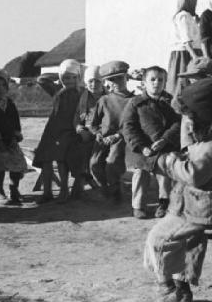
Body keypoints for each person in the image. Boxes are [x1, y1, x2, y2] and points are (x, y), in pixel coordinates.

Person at [143, 79, 212, 302]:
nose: (187, 123)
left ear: (203, 115)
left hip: (209, 207)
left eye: (190, 117)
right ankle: (182, 288)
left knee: (159, 237)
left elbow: (195, 174)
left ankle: (167, 287)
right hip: (204, 204)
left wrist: (166, 161)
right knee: (190, 241)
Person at [122, 66, 180, 219]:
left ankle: (164, 202)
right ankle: (138, 205)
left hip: (164, 145)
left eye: (160, 80)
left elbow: (177, 124)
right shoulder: (135, 103)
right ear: (144, 83)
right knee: (141, 171)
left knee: (166, 167)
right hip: (142, 148)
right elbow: (128, 127)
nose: (156, 83)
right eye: (152, 79)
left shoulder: (171, 102)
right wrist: (141, 147)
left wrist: (164, 139)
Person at [33, 59, 84, 203]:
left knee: (61, 160)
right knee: (45, 160)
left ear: (79, 77)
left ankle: (64, 190)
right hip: (52, 130)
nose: (69, 81)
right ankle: (47, 192)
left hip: (68, 131)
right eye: (66, 78)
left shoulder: (81, 92)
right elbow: (41, 79)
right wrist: (60, 73)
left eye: (73, 77)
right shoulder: (57, 90)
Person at [89, 61, 134, 203]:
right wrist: (97, 134)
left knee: (112, 162)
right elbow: (93, 122)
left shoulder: (134, 100)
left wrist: (117, 135)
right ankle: (104, 188)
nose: (116, 82)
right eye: (111, 79)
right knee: (94, 164)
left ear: (127, 78)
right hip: (103, 137)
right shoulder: (104, 100)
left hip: (122, 138)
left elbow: (133, 124)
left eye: (119, 78)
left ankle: (115, 192)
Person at [0, 69, 28, 205]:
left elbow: (15, 121)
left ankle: (13, 188)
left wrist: (16, 133)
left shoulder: (9, 102)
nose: (0, 89)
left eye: (3, 85)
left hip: (9, 138)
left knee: (18, 160)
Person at [75, 65, 105, 189]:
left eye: (97, 81)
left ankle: (96, 178)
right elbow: (77, 117)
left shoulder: (107, 97)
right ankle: (84, 177)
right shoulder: (83, 97)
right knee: (78, 146)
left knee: (95, 152)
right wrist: (79, 129)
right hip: (86, 130)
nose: (93, 84)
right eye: (90, 81)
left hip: (103, 131)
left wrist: (100, 132)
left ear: (102, 82)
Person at [167, 0, 202, 96]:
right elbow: (185, 38)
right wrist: (194, 56)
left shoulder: (188, 17)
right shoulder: (183, 16)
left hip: (189, 51)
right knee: (182, 82)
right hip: (185, 53)